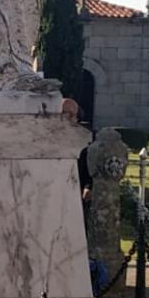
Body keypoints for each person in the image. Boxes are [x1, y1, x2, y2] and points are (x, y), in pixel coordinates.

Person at [63, 98, 93, 237]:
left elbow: (91, 165)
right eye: (63, 113)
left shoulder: (86, 137)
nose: (67, 117)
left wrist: (89, 186)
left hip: (77, 188)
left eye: (71, 114)